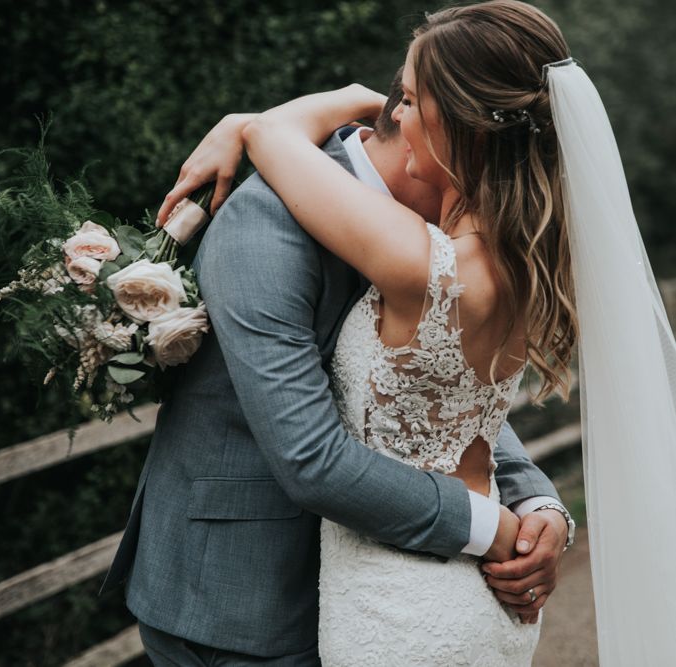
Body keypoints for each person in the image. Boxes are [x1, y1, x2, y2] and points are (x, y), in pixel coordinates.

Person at [163, 0, 676, 664]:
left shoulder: (422, 259)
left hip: (400, 614)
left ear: (463, 124)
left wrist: (266, 117)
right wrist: (534, 507)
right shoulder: (527, 256)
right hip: (468, 606)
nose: (390, 114)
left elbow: (268, 134)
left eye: (406, 98)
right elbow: (446, 399)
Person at [100, 62, 573, 667]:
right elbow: (311, 456)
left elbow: (434, 383)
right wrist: (490, 527)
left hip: (373, 587)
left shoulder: (436, 246)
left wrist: (536, 504)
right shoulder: (264, 226)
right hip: (246, 598)